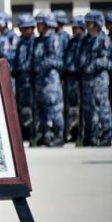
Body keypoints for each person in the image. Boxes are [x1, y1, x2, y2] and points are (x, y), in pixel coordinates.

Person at [31, 11, 64, 147]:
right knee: (41, 109)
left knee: (54, 109)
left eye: (40, 24)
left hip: (50, 81)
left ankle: (59, 135)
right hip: (39, 81)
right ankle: (45, 135)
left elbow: (55, 59)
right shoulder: (38, 40)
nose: (38, 26)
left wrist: (41, 66)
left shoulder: (53, 39)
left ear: (47, 24)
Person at [79, 11, 112, 146]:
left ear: (97, 23)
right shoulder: (86, 40)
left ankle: (107, 134)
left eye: (90, 22)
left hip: (99, 79)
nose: (87, 24)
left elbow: (105, 60)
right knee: (89, 108)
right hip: (87, 80)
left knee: (102, 107)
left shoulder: (103, 39)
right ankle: (90, 136)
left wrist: (91, 66)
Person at [13, 14, 36, 141]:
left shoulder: (35, 42)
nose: (23, 31)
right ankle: (24, 133)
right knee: (21, 107)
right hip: (21, 80)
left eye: (25, 28)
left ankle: (32, 133)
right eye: (21, 29)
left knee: (31, 107)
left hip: (31, 80)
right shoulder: (20, 41)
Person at [63, 16, 85, 143]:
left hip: (82, 78)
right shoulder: (71, 42)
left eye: (76, 27)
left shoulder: (85, 41)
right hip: (70, 79)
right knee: (71, 108)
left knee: (82, 108)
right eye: (73, 27)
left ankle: (82, 134)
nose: (74, 29)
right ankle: (72, 132)